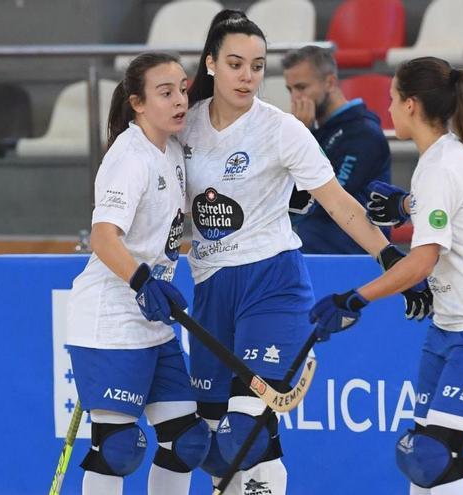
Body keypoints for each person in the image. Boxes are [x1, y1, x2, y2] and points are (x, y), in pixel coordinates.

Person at [180, 10, 430, 494]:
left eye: (257, 65)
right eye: (235, 64)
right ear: (211, 64)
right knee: (210, 447)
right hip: (211, 286)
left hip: (271, 283)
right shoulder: (185, 126)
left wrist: (388, 258)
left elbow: (339, 202)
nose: (247, 76)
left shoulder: (281, 129)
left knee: (241, 436)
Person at [310, 57, 463, 495]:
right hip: (452, 325)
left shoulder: (441, 163)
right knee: (422, 461)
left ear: (411, 105)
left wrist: (354, 299)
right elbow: (449, 215)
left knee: (433, 456)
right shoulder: (447, 156)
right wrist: (406, 205)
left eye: (392, 100)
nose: (388, 109)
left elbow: (423, 260)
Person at [66, 52, 209, 495]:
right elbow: (104, 237)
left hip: (153, 319)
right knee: (118, 449)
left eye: (182, 89)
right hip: (111, 319)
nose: (179, 100)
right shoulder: (129, 158)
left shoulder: (170, 148)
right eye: (164, 93)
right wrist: (144, 281)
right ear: (138, 103)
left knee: (187, 440)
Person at [282, 46, 392, 254]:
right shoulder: (319, 132)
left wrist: (300, 136)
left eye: (302, 87)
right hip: (315, 254)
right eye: (290, 90)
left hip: (352, 259)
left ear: (330, 82)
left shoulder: (362, 133)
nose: (295, 98)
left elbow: (325, 199)